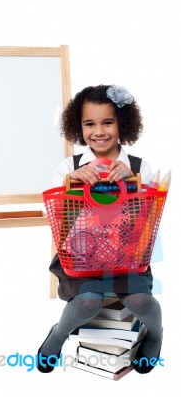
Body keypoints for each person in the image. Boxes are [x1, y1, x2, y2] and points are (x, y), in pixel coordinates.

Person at [37, 84, 163, 374]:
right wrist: (72, 183)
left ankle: (155, 334)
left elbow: (150, 220)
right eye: (89, 123)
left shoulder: (139, 166)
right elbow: (58, 224)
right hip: (81, 259)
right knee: (88, 302)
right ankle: (57, 335)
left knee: (141, 300)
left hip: (127, 257)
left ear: (123, 124)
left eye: (108, 122)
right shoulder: (70, 166)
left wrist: (136, 182)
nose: (99, 131)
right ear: (78, 126)